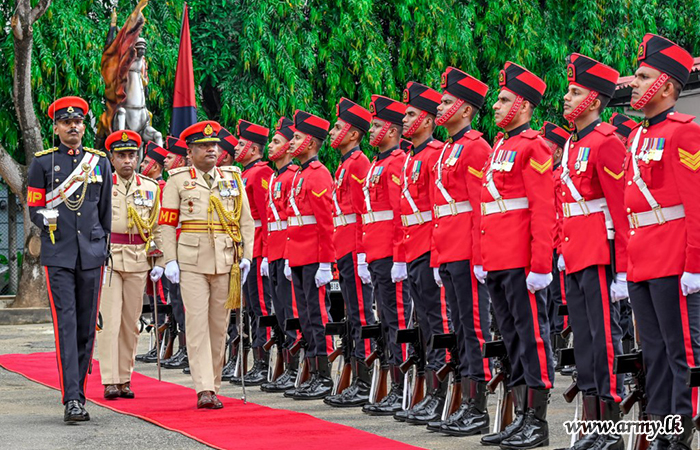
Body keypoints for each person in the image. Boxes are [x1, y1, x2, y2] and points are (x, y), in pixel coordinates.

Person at [625, 33, 700, 449]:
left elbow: (696, 205)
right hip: (642, 259)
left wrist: (694, 264)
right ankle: (660, 430)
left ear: (667, 85)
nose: (634, 83)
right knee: (652, 354)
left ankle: (679, 435)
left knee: (680, 354)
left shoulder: (686, 133)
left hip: (674, 259)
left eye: (642, 76)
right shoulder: (636, 137)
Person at [479, 62, 555, 449]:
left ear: (523, 105)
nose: (495, 105)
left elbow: (543, 210)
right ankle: (518, 416)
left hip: (521, 263)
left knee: (532, 339)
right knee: (510, 339)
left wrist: (540, 265)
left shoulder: (533, 147)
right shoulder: (500, 147)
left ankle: (536, 423)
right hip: (497, 259)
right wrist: (482, 257)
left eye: (504, 99)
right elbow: (487, 210)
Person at [155, 120, 254, 409]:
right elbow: (166, 224)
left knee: (219, 326)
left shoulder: (233, 178)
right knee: (196, 324)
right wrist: (169, 259)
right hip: (191, 260)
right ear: (190, 152)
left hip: (225, 260)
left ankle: (214, 382)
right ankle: (204, 388)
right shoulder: (177, 180)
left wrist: (246, 255)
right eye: (203, 146)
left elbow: (245, 222)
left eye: (214, 146)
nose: (211, 150)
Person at [558, 53, 629, 449]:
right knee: (584, 341)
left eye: (575, 92)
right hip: (576, 249)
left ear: (595, 100)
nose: (566, 98)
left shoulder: (605, 143)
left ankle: (610, 426)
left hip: (601, 252)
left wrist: (623, 265)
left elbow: (620, 207)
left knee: (605, 340)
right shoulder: (573, 143)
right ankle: (590, 422)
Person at [27, 96, 113, 422]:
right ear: (57, 127)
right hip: (59, 252)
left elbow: (105, 212)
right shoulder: (43, 163)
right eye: (66, 122)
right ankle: (72, 399)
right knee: (66, 325)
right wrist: (47, 218)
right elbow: (34, 207)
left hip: (91, 254)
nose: (73, 126)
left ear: (83, 126)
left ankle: (80, 391)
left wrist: (104, 248)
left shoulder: (100, 162)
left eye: (77, 122)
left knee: (86, 328)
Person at [429, 67, 493, 436]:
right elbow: (440, 210)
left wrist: (479, 257)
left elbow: (479, 207)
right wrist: (438, 257)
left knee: (474, 329)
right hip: (449, 250)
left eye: (448, 101)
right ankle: (465, 400)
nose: (441, 106)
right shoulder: (449, 149)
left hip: (468, 252)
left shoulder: (476, 148)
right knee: (458, 328)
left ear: (466, 110)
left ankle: (477, 405)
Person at [394, 81, 449, 425]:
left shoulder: (435, 155)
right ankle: (431, 391)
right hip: (414, 248)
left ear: (428, 120)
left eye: (411, 114)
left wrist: (438, 253)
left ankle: (442, 391)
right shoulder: (412, 157)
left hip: (431, 246)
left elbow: (442, 210)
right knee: (424, 324)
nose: (404, 119)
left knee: (438, 322)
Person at [359, 95, 413, 416]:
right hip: (376, 253)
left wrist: (398, 256)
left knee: (397, 320)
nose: (371, 131)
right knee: (386, 320)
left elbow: (397, 213)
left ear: (392, 131)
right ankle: (394, 382)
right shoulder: (377, 163)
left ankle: (401, 384)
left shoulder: (395, 163)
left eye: (377, 126)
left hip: (391, 255)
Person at [98, 130, 161, 400]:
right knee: (109, 321)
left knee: (131, 322)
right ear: (112, 159)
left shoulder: (150, 187)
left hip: (138, 258)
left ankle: (125, 377)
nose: (127, 160)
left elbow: (158, 227)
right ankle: (110, 379)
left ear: (138, 157)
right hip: (109, 256)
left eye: (131, 155)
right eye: (121, 155)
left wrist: (159, 259)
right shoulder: (101, 185)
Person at [324, 98, 376, 407]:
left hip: (355, 248)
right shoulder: (345, 164)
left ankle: (364, 379)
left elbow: (362, 212)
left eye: (339, 127)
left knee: (360, 316)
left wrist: (361, 254)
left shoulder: (358, 164)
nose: (332, 132)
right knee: (350, 317)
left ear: (354, 134)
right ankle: (357, 378)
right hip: (343, 248)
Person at [283, 110, 336, 400]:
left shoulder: (318, 174)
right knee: (305, 317)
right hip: (300, 257)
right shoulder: (301, 174)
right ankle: (314, 372)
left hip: (315, 258)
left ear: (312, 142)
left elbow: (326, 222)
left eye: (298, 138)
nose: (292, 142)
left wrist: (327, 262)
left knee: (317, 317)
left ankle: (324, 375)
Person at [259, 117, 302, 393]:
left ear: (288, 148)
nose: (270, 146)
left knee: (291, 312)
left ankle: (296, 366)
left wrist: (287, 254)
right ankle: (288, 366)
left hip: (286, 250)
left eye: (276, 142)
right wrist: (265, 254)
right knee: (281, 310)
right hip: (272, 250)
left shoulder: (292, 176)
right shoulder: (275, 177)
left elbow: (291, 221)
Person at [231, 119, 274, 385]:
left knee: (261, 306)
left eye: (241, 144)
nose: (236, 148)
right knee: (250, 306)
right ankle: (257, 359)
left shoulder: (260, 174)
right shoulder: (243, 173)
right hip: (247, 245)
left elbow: (267, 216)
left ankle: (264, 360)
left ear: (255, 150)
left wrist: (267, 251)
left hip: (258, 244)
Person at [539, 121, 570, 360]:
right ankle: (552, 344)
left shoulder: (560, 175)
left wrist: (560, 248)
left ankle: (561, 349)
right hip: (548, 245)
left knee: (561, 300)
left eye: (546, 146)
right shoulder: (548, 175)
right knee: (549, 298)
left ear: (558, 151)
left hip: (558, 246)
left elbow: (560, 215)